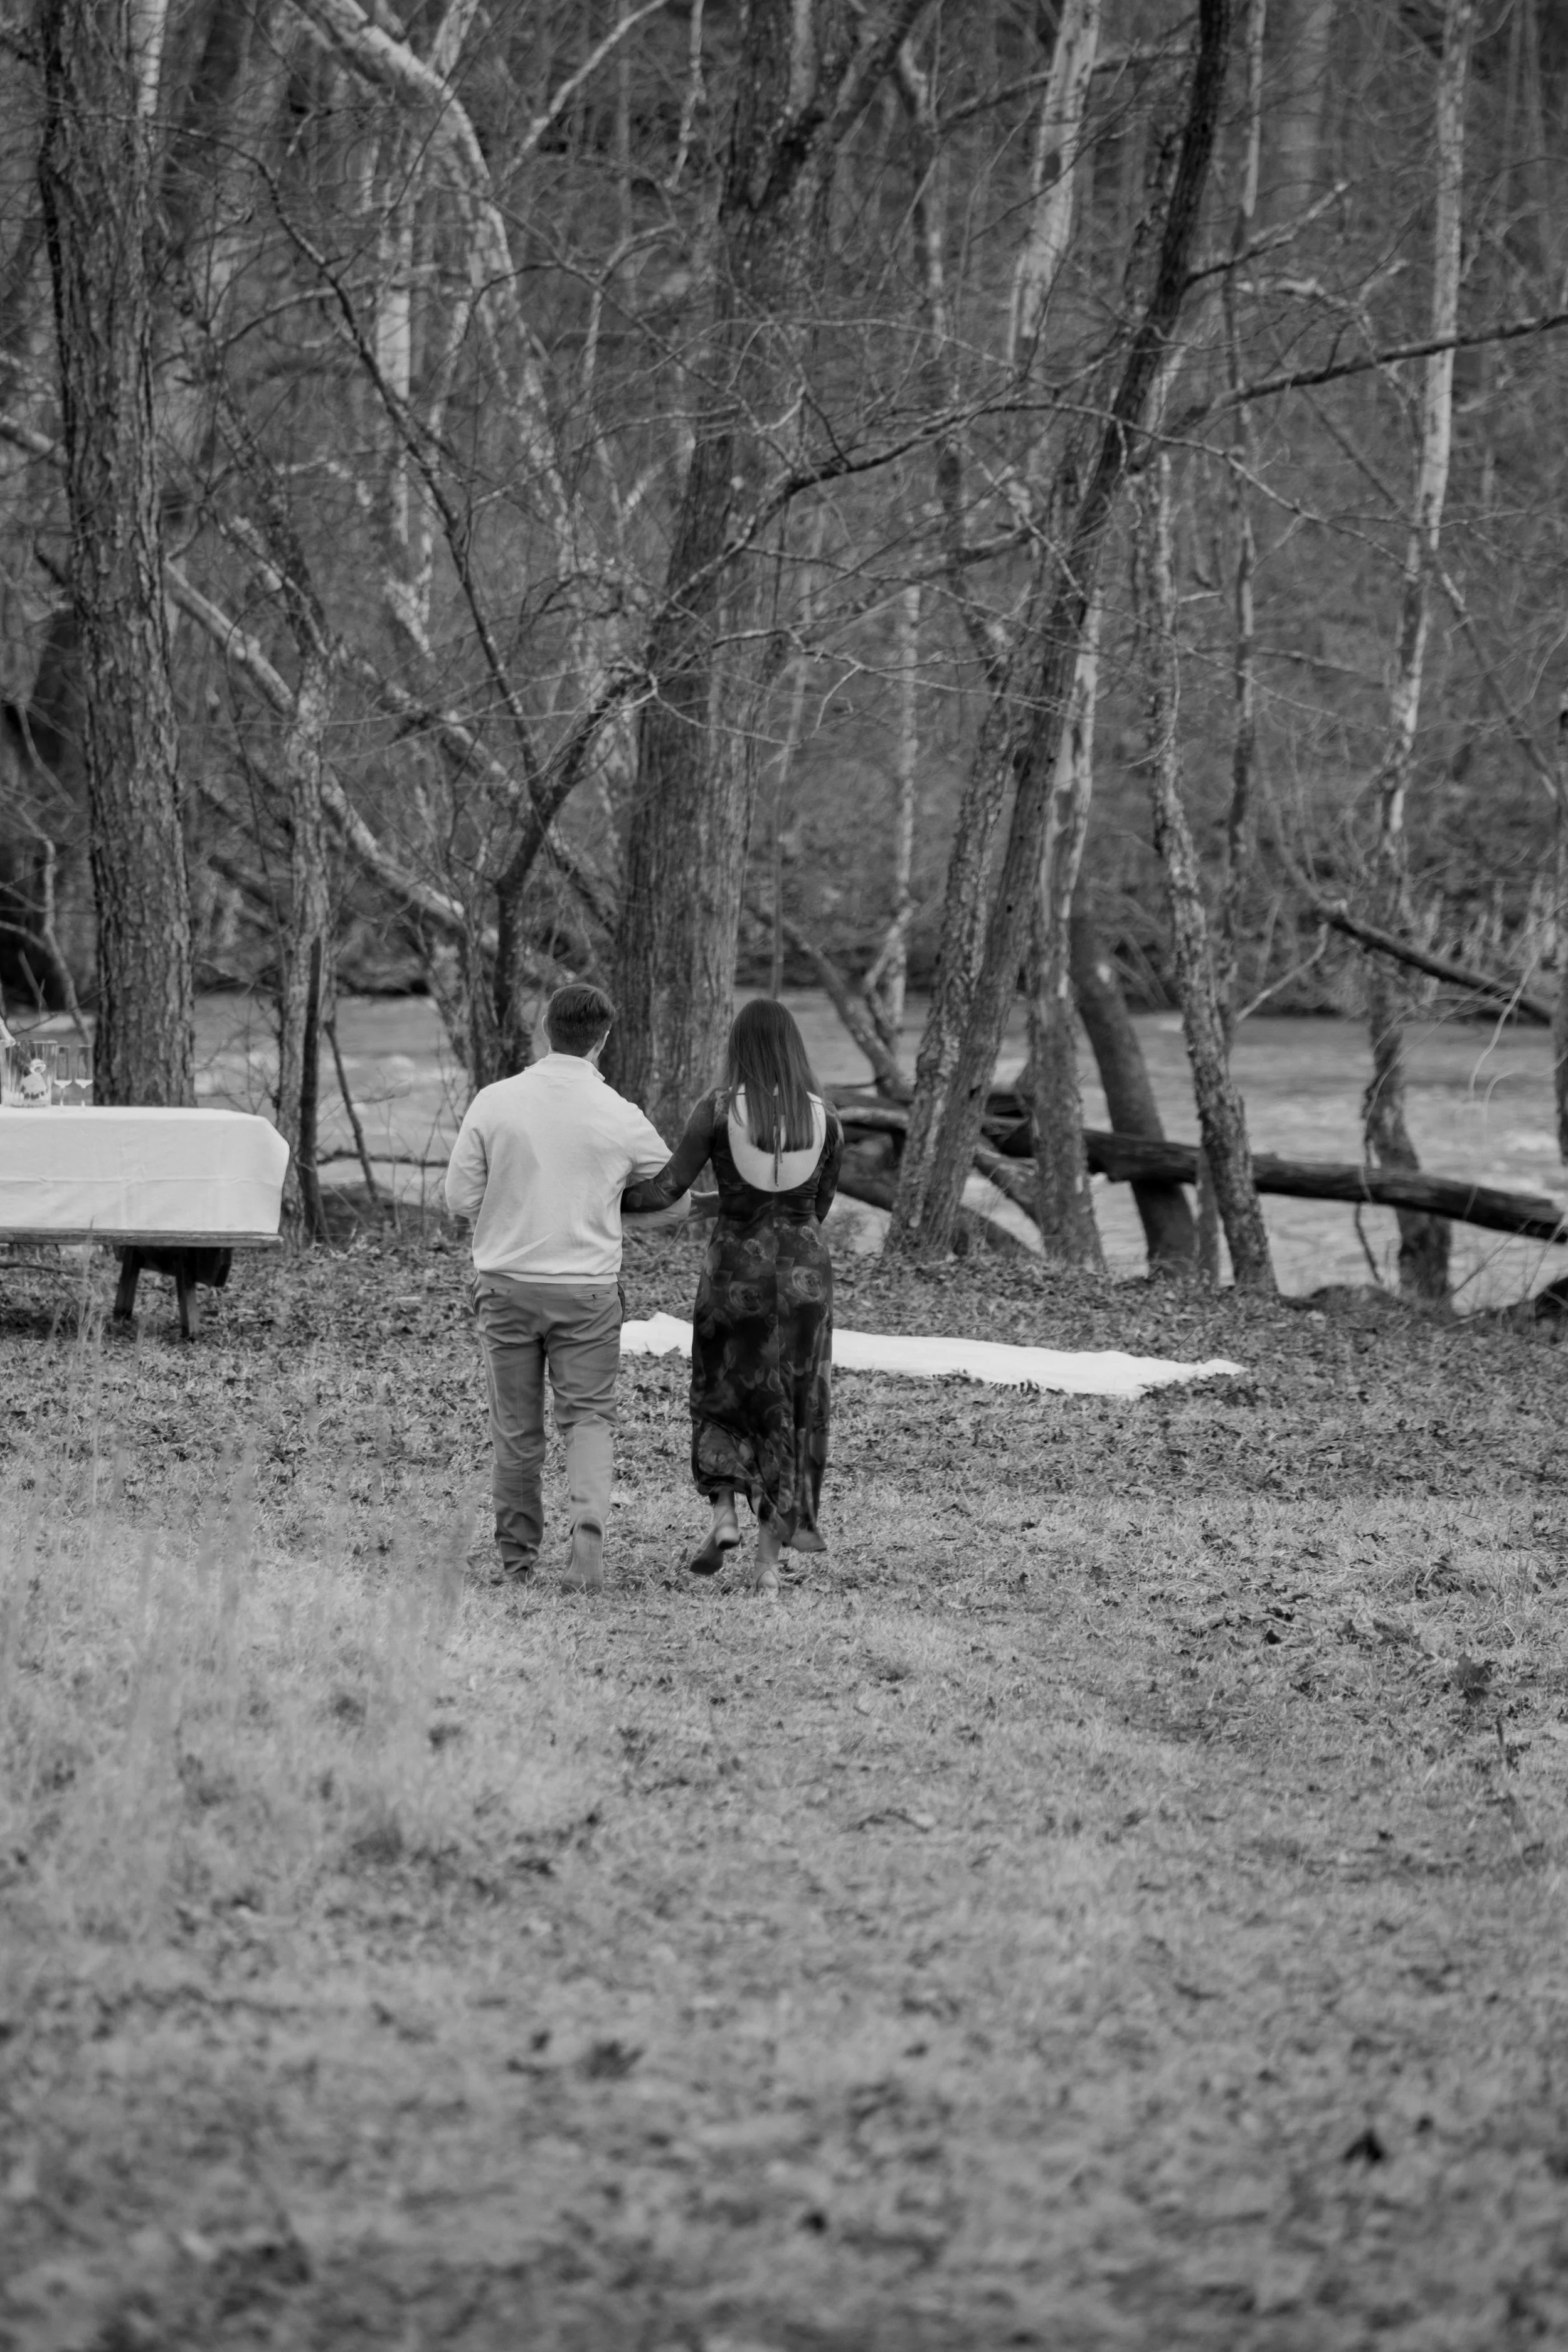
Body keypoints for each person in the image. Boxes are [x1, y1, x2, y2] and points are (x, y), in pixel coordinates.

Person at [444, 982, 687, 1592]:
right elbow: (673, 1201)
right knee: (589, 1420)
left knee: (516, 1429)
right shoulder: (620, 1114)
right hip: (587, 1291)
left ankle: (518, 1560)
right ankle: (587, 1529)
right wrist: (606, 1205)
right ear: (603, 1040)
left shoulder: (495, 1101)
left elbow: (459, 1197)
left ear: (544, 1030)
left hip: (507, 1287)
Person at [623, 999, 844, 1597]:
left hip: (732, 1275)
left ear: (739, 1046)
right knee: (789, 1407)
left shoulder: (718, 1110)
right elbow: (817, 1206)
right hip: (804, 1280)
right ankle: (767, 1566)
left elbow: (665, 1189)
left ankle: (724, 1513)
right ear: (794, 1047)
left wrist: (601, 1194)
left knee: (720, 1392)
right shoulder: (826, 1118)